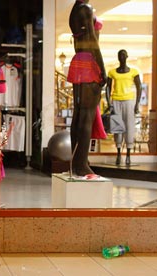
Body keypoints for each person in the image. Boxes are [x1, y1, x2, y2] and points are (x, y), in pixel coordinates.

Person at [66, 0, 106, 176]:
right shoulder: (85, 9)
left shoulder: (75, 10)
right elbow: (92, 40)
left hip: (79, 61)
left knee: (79, 114)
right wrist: (102, 69)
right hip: (89, 62)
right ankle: (81, 163)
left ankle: (77, 161)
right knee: (87, 115)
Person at [106, 49, 142, 166]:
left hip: (129, 101)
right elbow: (108, 87)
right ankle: (118, 153)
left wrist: (137, 104)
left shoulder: (133, 72)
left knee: (129, 126)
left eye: (123, 55)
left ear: (127, 56)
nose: (121, 57)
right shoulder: (112, 72)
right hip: (116, 100)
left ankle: (128, 154)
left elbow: (139, 87)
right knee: (117, 127)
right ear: (117, 57)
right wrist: (109, 102)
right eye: (119, 55)